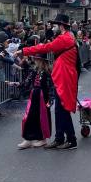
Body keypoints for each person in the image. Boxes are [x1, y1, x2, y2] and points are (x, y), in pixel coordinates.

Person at [20, 14, 78, 150]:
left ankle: (70, 139)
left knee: (62, 109)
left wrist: (24, 51)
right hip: (63, 76)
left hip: (64, 77)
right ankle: (60, 138)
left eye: (56, 25)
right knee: (59, 109)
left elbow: (45, 48)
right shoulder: (67, 37)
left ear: (62, 25)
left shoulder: (65, 38)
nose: (54, 27)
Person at [16, 56, 52, 149]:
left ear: (42, 60)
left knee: (42, 118)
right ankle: (28, 139)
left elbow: (51, 86)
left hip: (43, 97)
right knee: (29, 117)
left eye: (37, 59)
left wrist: (50, 99)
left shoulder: (48, 72)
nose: (35, 60)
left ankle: (42, 139)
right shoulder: (34, 70)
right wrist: (16, 84)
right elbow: (27, 82)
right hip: (34, 95)